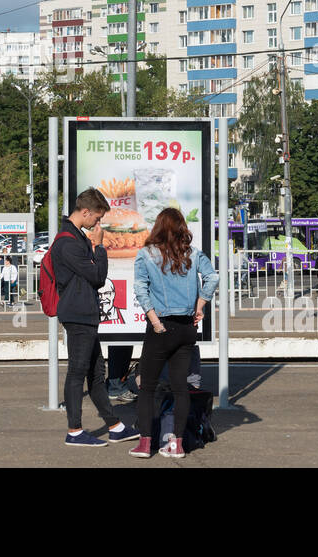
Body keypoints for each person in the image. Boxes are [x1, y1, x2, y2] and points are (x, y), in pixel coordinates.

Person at [128, 207, 218, 459]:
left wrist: (155, 321)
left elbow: (141, 289)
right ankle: (177, 444)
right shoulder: (192, 253)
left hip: (161, 327)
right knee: (181, 387)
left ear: (158, 227)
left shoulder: (146, 255)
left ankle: (145, 444)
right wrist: (200, 306)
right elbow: (212, 278)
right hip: (186, 328)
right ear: (181, 229)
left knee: (147, 387)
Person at [54, 187, 138, 447]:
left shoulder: (75, 237)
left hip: (85, 314)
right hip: (78, 315)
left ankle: (115, 425)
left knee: (96, 374)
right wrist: (99, 247)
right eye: (97, 218)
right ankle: (75, 431)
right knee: (78, 373)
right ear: (85, 211)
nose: (98, 224)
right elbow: (97, 277)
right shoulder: (68, 242)